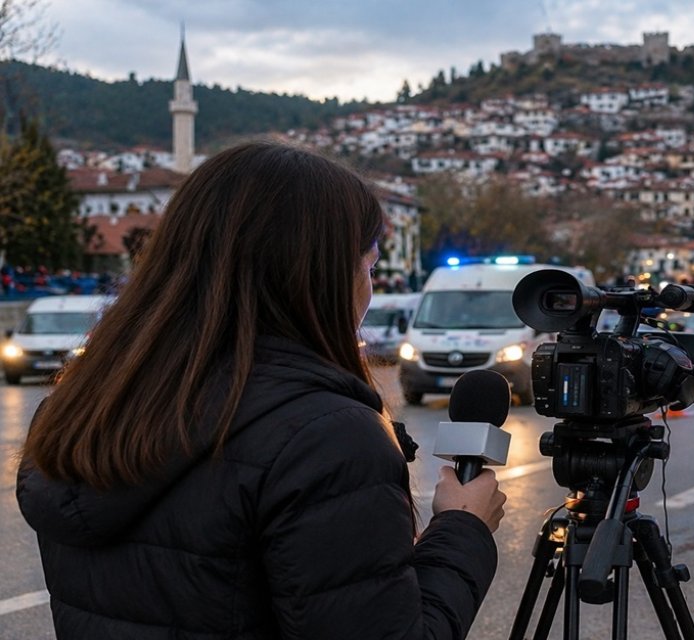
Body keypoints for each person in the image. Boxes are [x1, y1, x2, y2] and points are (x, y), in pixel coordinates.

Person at [16, 142, 506, 639]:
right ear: (321, 277)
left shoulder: (78, 412)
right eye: (369, 267)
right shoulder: (325, 440)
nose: (369, 287)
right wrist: (463, 529)